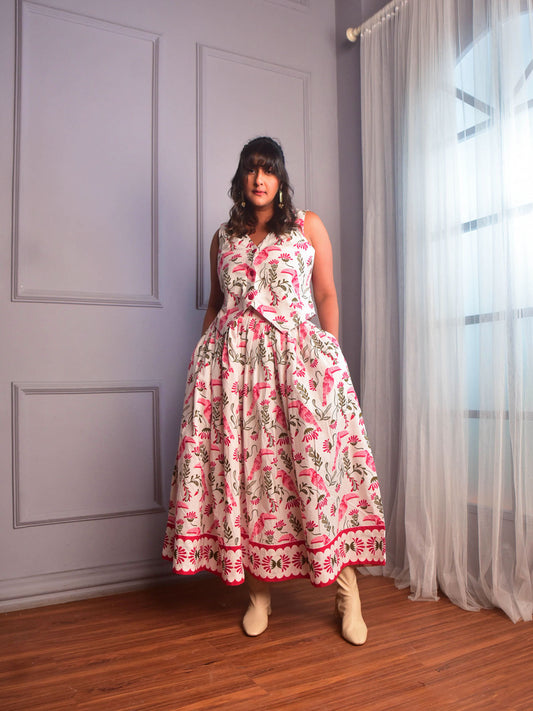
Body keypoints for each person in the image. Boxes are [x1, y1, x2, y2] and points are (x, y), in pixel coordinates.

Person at [162, 136, 385, 645]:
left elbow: (325, 294)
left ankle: (348, 595)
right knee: (247, 479)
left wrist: (329, 355)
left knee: (315, 474)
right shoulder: (223, 237)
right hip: (232, 376)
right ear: (241, 178)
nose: (259, 179)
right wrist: (201, 362)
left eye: (268, 170)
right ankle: (258, 595)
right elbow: (215, 303)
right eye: (251, 169)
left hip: (295, 369)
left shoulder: (307, 226)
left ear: (280, 178)